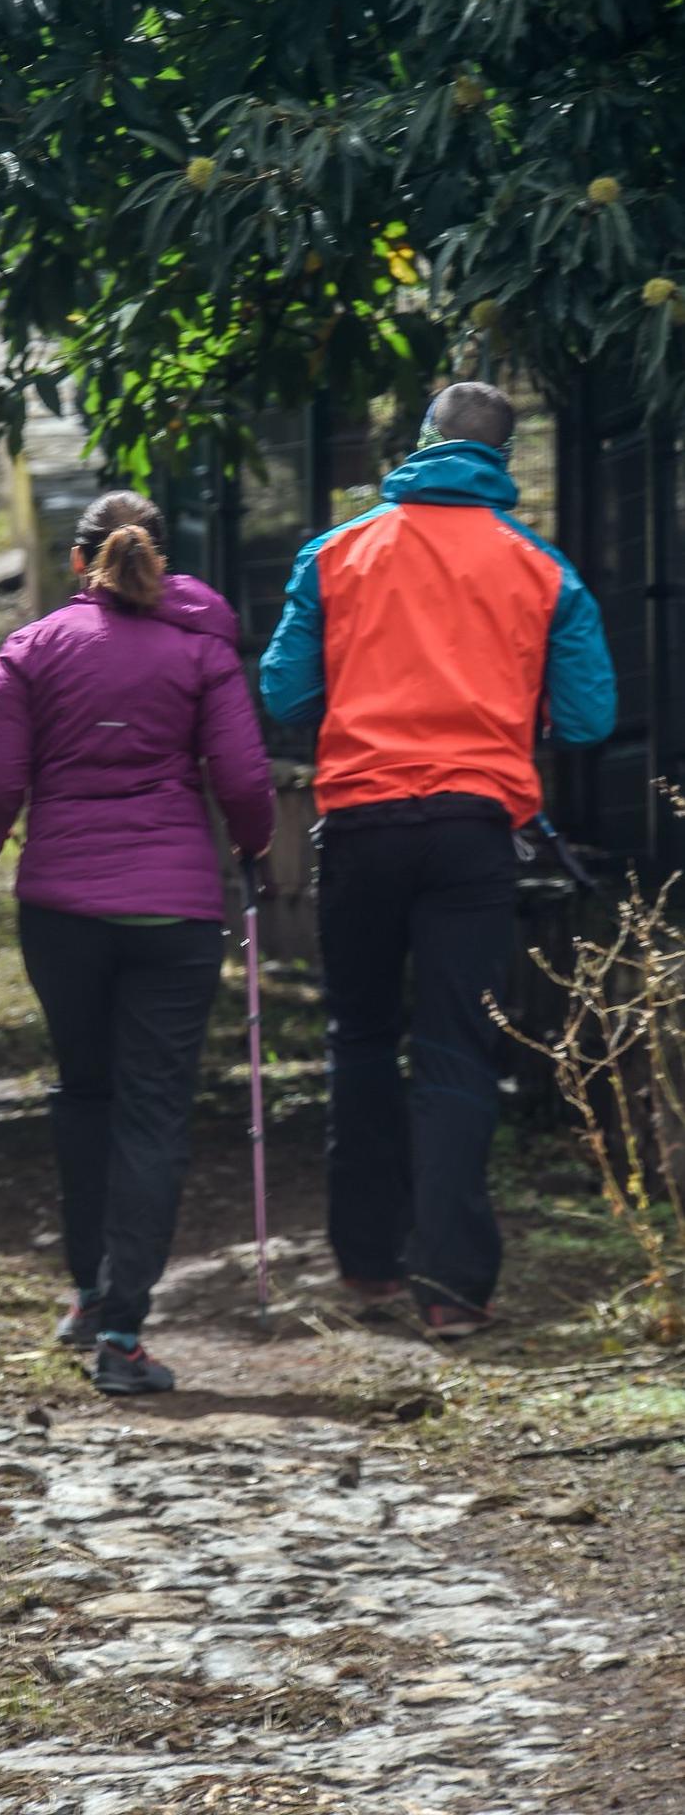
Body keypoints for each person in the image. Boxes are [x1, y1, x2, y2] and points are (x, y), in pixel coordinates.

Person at [261, 381, 616, 1338]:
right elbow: (589, 717)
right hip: (472, 832)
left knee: (360, 1038)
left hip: (362, 826)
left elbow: (285, 691)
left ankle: (368, 1262)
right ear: (503, 458)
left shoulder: (337, 552)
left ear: (420, 442)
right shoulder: (539, 568)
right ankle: (453, 1287)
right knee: (458, 1046)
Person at [0, 490, 274, 1396]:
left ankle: (86, 1293)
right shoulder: (203, 647)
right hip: (174, 916)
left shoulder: (31, 649)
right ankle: (124, 1330)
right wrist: (253, 850)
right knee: (152, 1111)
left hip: (60, 909)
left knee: (82, 1091)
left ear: (74, 563)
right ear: (160, 562)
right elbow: (245, 777)